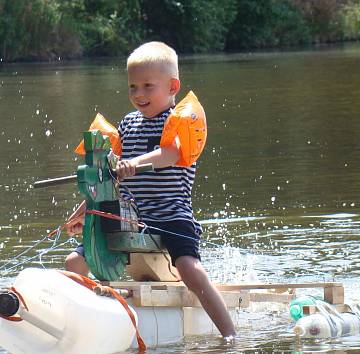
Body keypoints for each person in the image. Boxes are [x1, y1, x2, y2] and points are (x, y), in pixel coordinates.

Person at [63, 41, 236, 338]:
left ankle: (230, 335)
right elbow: (106, 178)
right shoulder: (127, 124)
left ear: (172, 86)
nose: (139, 94)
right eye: (133, 87)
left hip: (171, 215)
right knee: (74, 261)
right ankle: (76, 326)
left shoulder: (178, 122)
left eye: (147, 86)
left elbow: (170, 153)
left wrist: (134, 162)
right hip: (131, 216)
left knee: (189, 269)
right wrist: (84, 212)